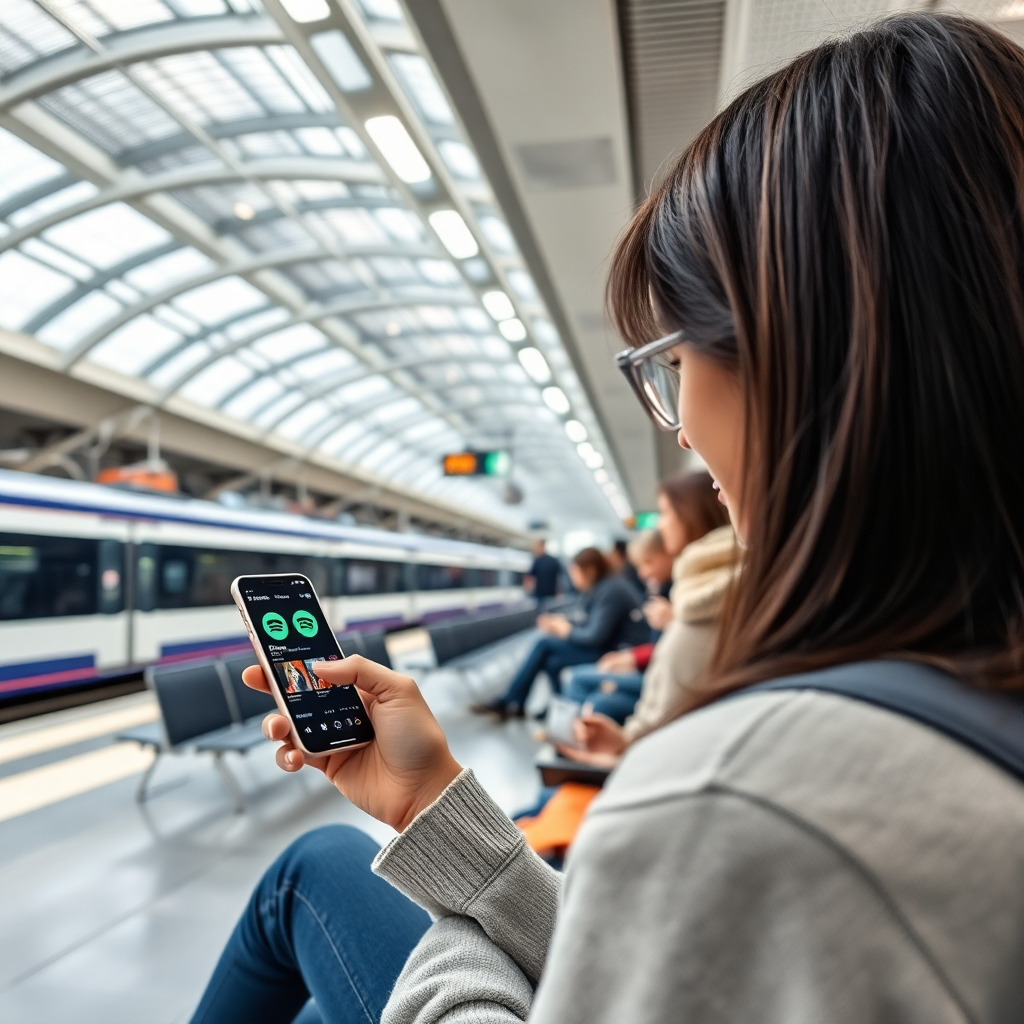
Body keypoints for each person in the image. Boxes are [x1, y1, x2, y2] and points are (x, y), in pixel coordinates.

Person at [192, 15, 1024, 1024]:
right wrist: (430, 813)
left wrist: (464, 937)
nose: (679, 435)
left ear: (798, 355)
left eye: (672, 364)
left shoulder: (752, 794)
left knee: (316, 878)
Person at [562, 473, 729, 723]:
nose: (660, 525)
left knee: (580, 683)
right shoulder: (681, 583)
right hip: (661, 677)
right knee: (597, 700)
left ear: (691, 516)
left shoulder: (699, 586)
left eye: (666, 513)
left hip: (683, 690)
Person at [470, 547, 647, 720]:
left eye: (575, 573)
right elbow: (590, 623)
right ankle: (552, 708)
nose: (572, 578)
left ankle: (509, 701)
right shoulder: (603, 587)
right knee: (552, 662)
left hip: (615, 652)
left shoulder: (610, 590)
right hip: (609, 646)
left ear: (589, 571)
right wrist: (561, 624)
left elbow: (595, 636)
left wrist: (564, 629)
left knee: (544, 644)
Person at [522, 539, 560, 603]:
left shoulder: (551, 561)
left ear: (542, 547)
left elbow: (558, 579)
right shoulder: (538, 561)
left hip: (548, 595)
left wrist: (559, 592)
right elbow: (530, 576)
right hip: (541, 595)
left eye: (537, 547)